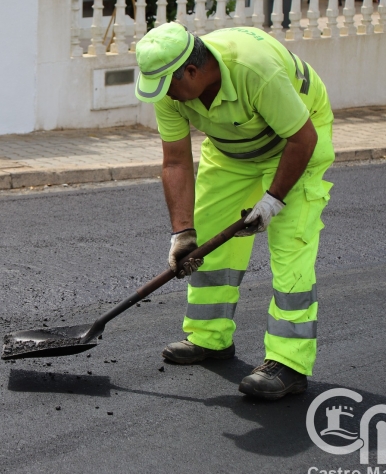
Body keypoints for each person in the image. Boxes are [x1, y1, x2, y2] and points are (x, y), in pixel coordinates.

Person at [134, 22, 334, 400]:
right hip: (231, 149)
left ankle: (288, 363)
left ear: (191, 71)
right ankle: (210, 337)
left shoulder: (255, 69)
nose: (165, 96)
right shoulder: (170, 88)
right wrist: (182, 233)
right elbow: (175, 161)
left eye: (170, 86)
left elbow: (302, 137)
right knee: (208, 238)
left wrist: (274, 198)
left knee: (291, 248)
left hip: (295, 143)